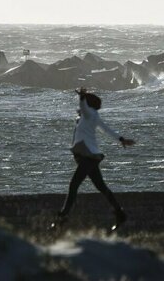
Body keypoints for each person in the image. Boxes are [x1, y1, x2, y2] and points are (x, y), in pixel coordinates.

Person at [53, 88, 136, 229]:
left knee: (74, 185)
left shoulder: (89, 114)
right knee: (101, 186)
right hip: (88, 155)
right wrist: (121, 139)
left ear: (89, 104)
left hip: (88, 156)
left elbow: (83, 109)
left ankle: (63, 217)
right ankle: (120, 213)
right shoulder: (93, 116)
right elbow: (106, 129)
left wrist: (82, 98)